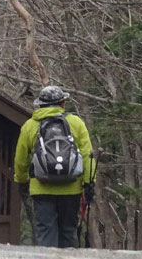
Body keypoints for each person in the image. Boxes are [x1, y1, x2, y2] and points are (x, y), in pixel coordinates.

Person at [14, 86, 94, 248]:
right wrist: (89, 182)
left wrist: (22, 180)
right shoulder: (76, 123)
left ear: (40, 105)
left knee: (45, 229)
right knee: (68, 230)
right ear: (63, 103)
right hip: (71, 187)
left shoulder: (30, 126)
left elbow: (21, 159)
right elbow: (87, 155)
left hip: (41, 188)